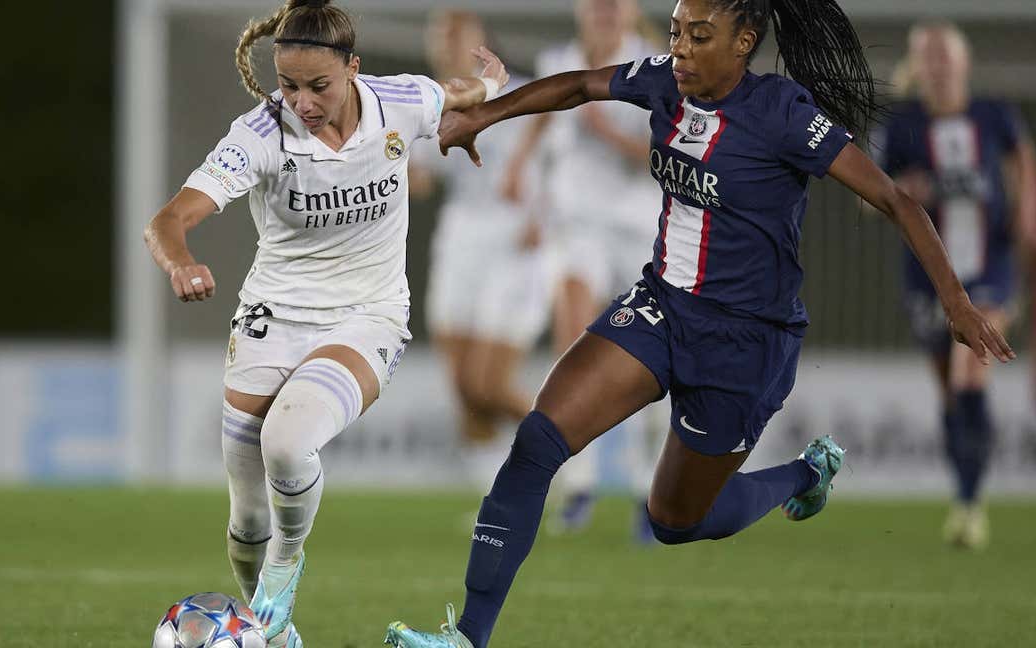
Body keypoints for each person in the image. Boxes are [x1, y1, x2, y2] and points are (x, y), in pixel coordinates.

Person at [384, 1, 1014, 646]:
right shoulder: (666, 79)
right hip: (660, 306)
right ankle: (467, 637)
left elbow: (893, 197)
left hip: (745, 342)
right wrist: (485, 116)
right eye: (679, 32)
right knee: (537, 444)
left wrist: (957, 302)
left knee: (676, 519)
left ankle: (804, 474)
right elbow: (577, 85)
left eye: (699, 36)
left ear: (743, 42)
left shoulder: (785, 113)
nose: (680, 48)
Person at [142, 1, 508, 645]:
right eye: (288, 85)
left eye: (319, 86)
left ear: (353, 69)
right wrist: (180, 265)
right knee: (249, 512)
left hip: (368, 316)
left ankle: (289, 561)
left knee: (287, 442)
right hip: (272, 317)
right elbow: (166, 221)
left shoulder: (397, 103)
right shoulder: (259, 135)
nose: (303, 102)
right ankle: (274, 633)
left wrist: (491, 85)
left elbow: (455, 92)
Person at [503, 0, 665, 540]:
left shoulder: (653, 68)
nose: (601, 12)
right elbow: (539, 124)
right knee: (573, 344)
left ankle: (649, 490)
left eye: (612, 5)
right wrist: (521, 172)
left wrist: (605, 131)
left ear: (629, 11)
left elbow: (661, 157)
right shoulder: (560, 61)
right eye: (594, 4)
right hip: (576, 226)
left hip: (636, 228)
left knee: (648, 361)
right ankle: (579, 483)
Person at [874, 21, 1036, 549]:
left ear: (964, 64)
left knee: (972, 369)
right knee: (950, 389)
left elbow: (1023, 158)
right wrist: (904, 190)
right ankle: (966, 494)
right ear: (918, 67)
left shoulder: (992, 115)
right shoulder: (900, 126)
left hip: (991, 269)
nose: (940, 65)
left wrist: (1030, 212)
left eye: (947, 55)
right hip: (929, 280)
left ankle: (970, 507)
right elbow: (864, 192)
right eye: (930, 56)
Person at [410, 10, 552, 494]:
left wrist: (529, 182)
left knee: (489, 384)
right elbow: (420, 180)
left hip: (514, 241)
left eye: (457, 30)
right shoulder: (429, 102)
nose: (447, 39)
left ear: (481, 38)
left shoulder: (509, 87)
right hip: (460, 240)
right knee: (464, 391)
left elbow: (553, 113)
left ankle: (568, 452)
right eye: (440, 31)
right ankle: (493, 498)